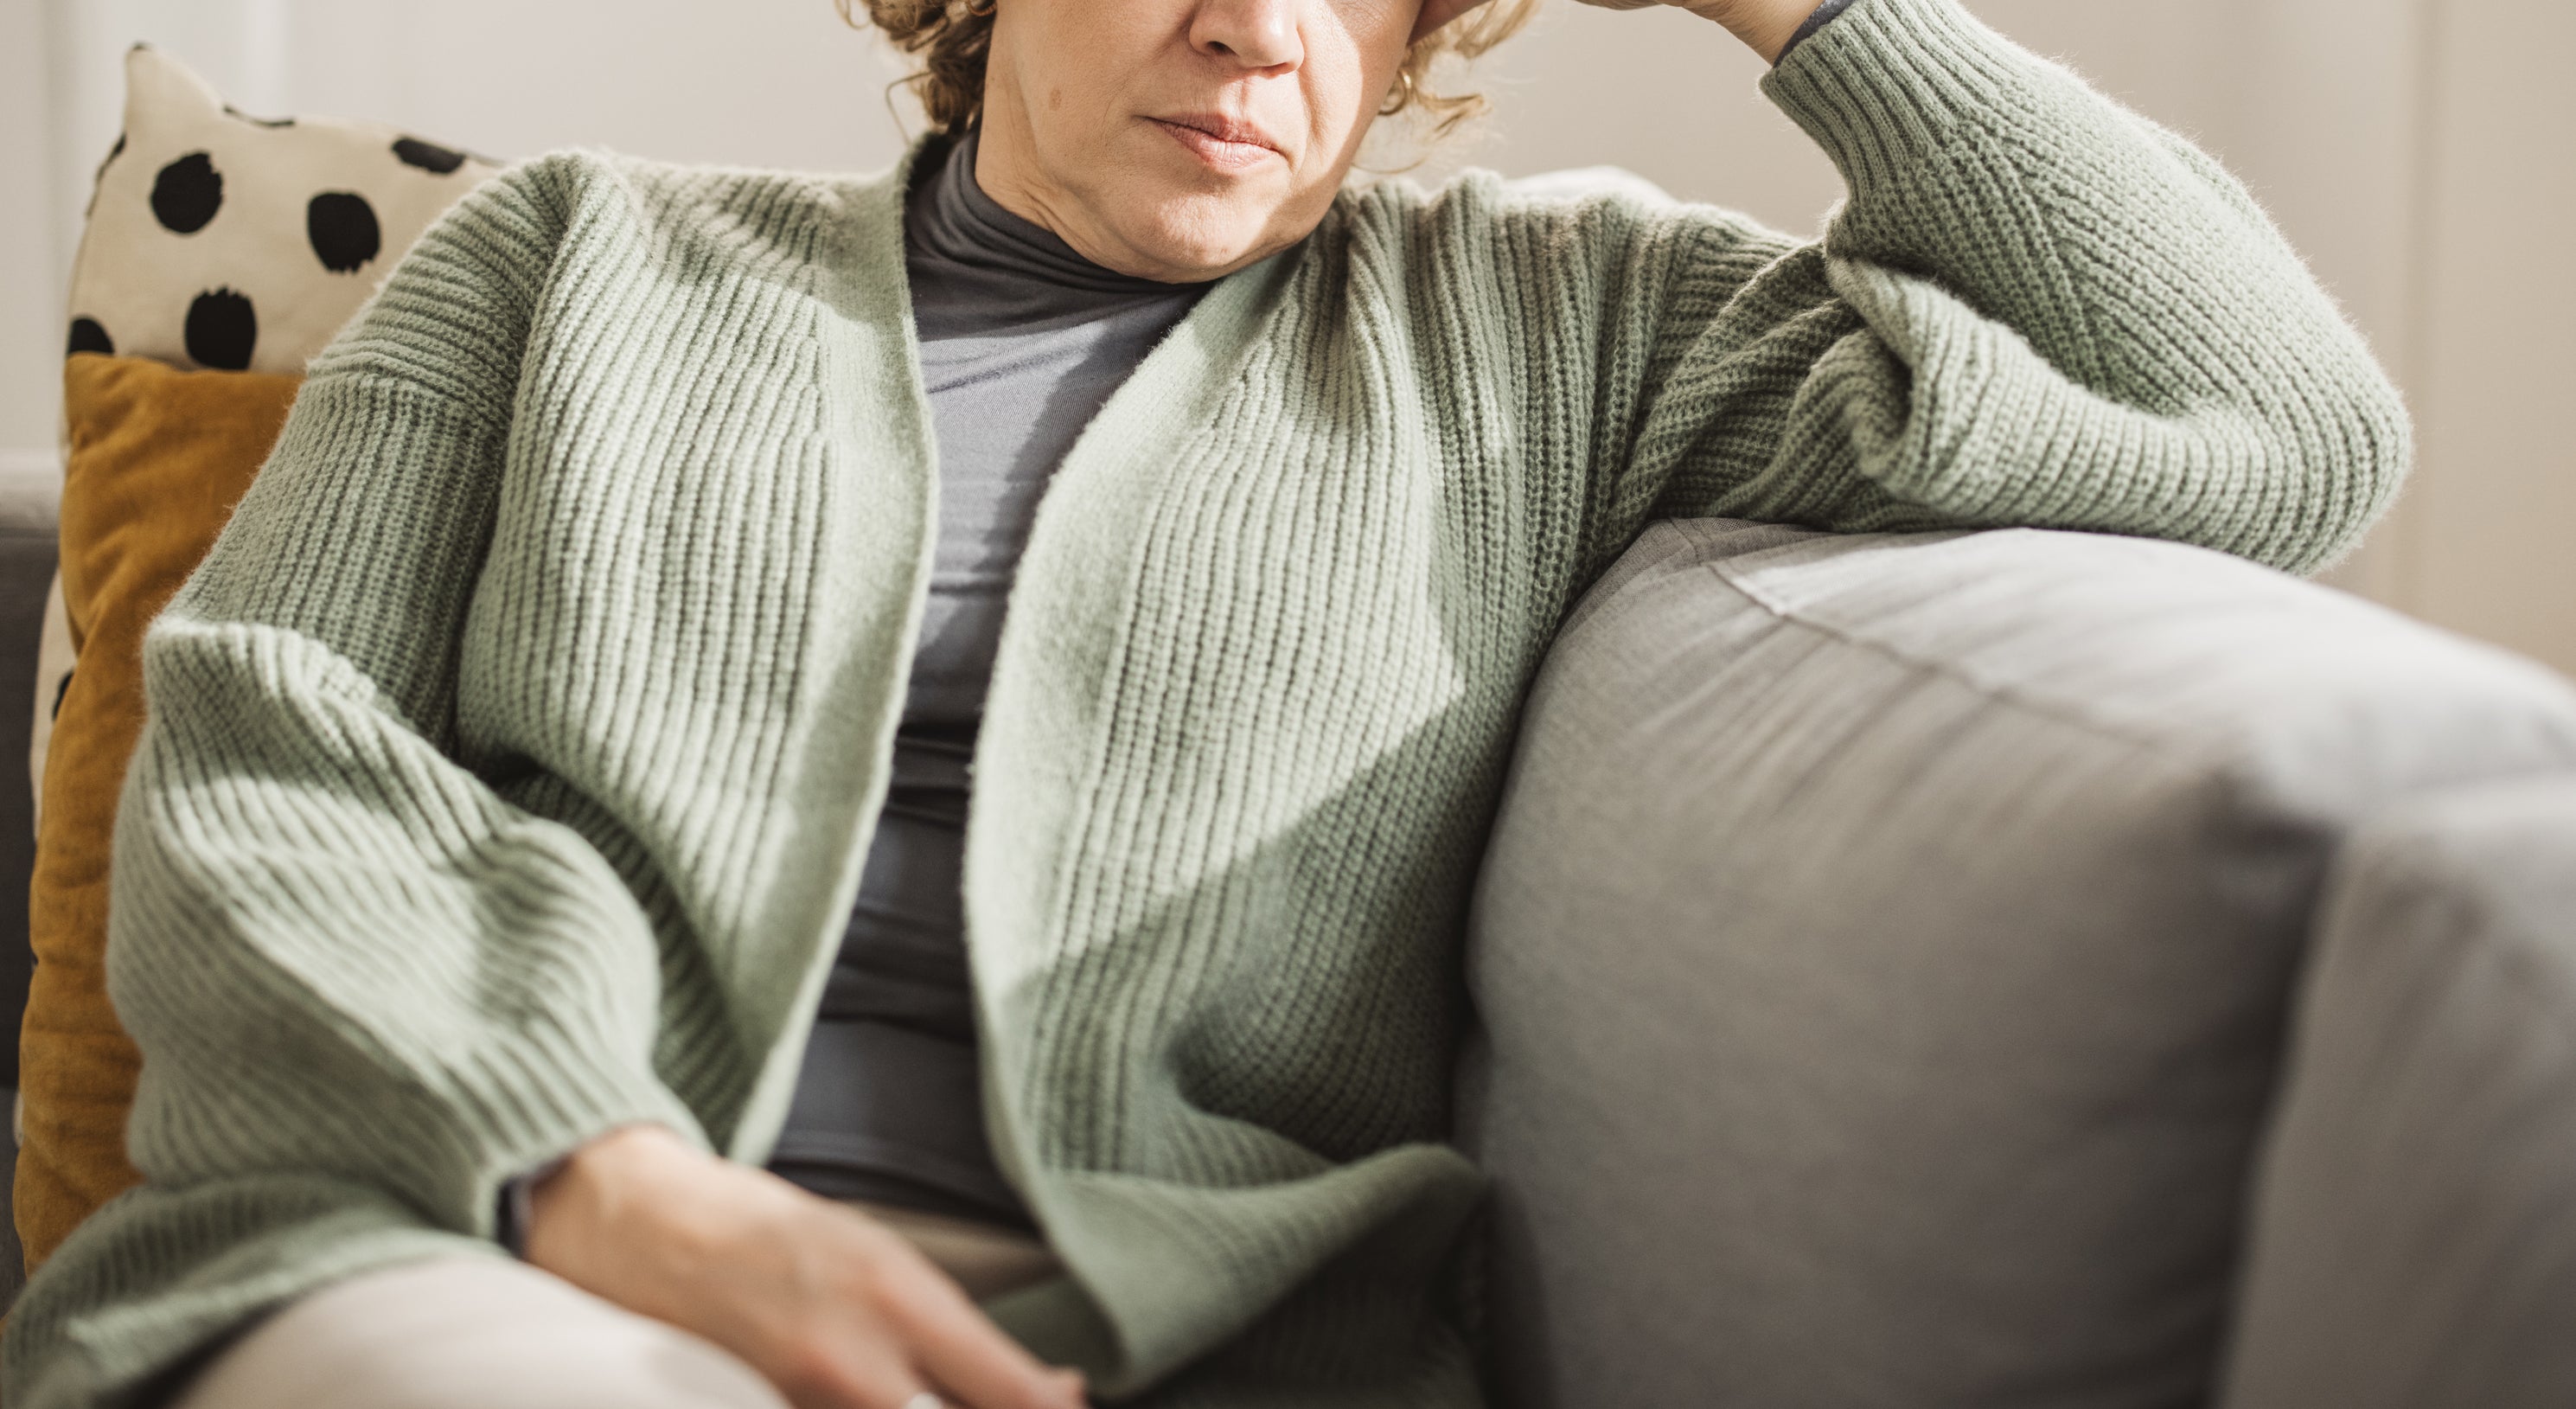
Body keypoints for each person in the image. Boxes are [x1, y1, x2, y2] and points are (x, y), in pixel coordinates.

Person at [3, 0, 2407, 1404]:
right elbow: (270, 755)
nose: (1259, 24)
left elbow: (2274, 426)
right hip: (485, 1250)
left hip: (1175, 1348)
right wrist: (609, 1186)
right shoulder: (576, 258)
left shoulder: (1559, 329)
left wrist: (1806, 11)